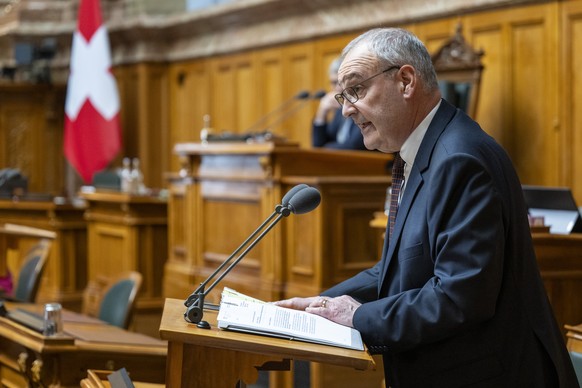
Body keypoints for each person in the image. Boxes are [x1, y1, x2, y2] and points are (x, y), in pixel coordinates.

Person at [275, 28, 579, 387]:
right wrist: (321, 305)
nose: (345, 110)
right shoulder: (416, 151)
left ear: (405, 81)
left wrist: (359, 318)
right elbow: (399, 268)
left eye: (356, 90)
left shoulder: (458, 158)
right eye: (342, 95)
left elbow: (459, 296)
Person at [312, 57, 367, 150]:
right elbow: (318, 144)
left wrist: (323, 150)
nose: (337, 88)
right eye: (333, 83)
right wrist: (321, 114)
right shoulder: (339, 110)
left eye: (339, 83)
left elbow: (355, 146)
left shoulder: (361, 103)